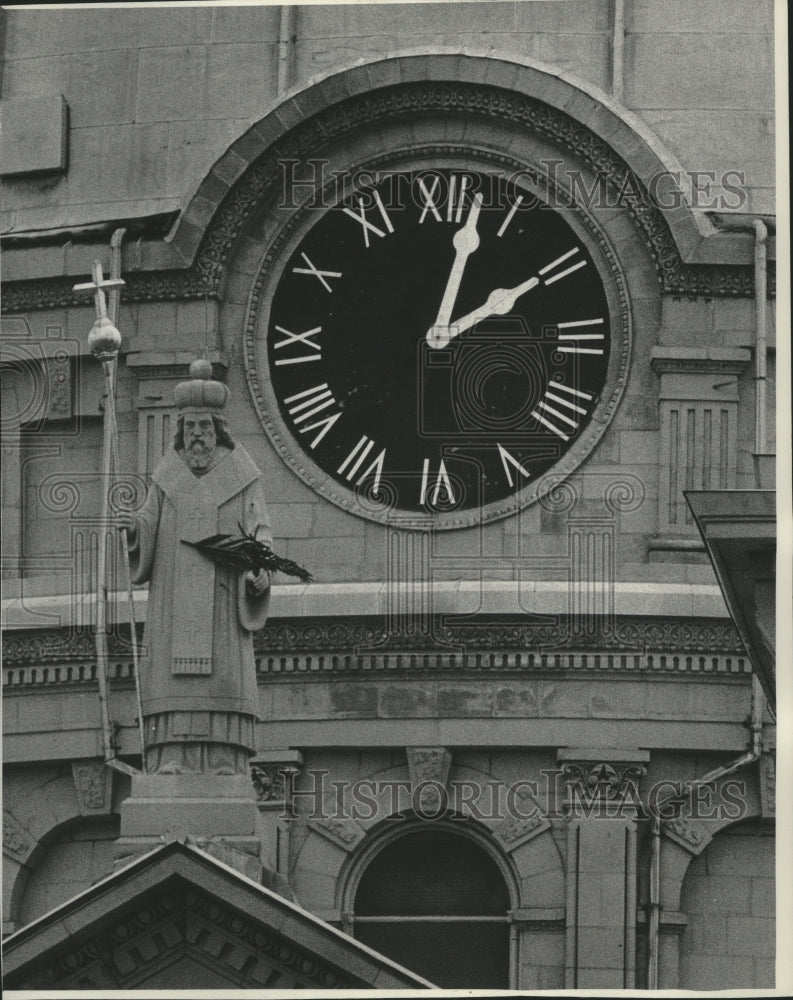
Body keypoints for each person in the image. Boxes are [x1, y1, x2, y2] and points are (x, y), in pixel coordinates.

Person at [117, 359, 271, 775]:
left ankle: (225, 760)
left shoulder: (243, 475)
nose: (197, 436)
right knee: (171, 685)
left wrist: (259, 569)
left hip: (223, 600)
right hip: (173, 598)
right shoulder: (167, 475)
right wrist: (133, 527)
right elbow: (148, 521)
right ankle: (170, 758)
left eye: (204, 427)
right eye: (190, 428)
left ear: (218, 429)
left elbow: (260, 530)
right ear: (180, 430)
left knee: (223, 681)